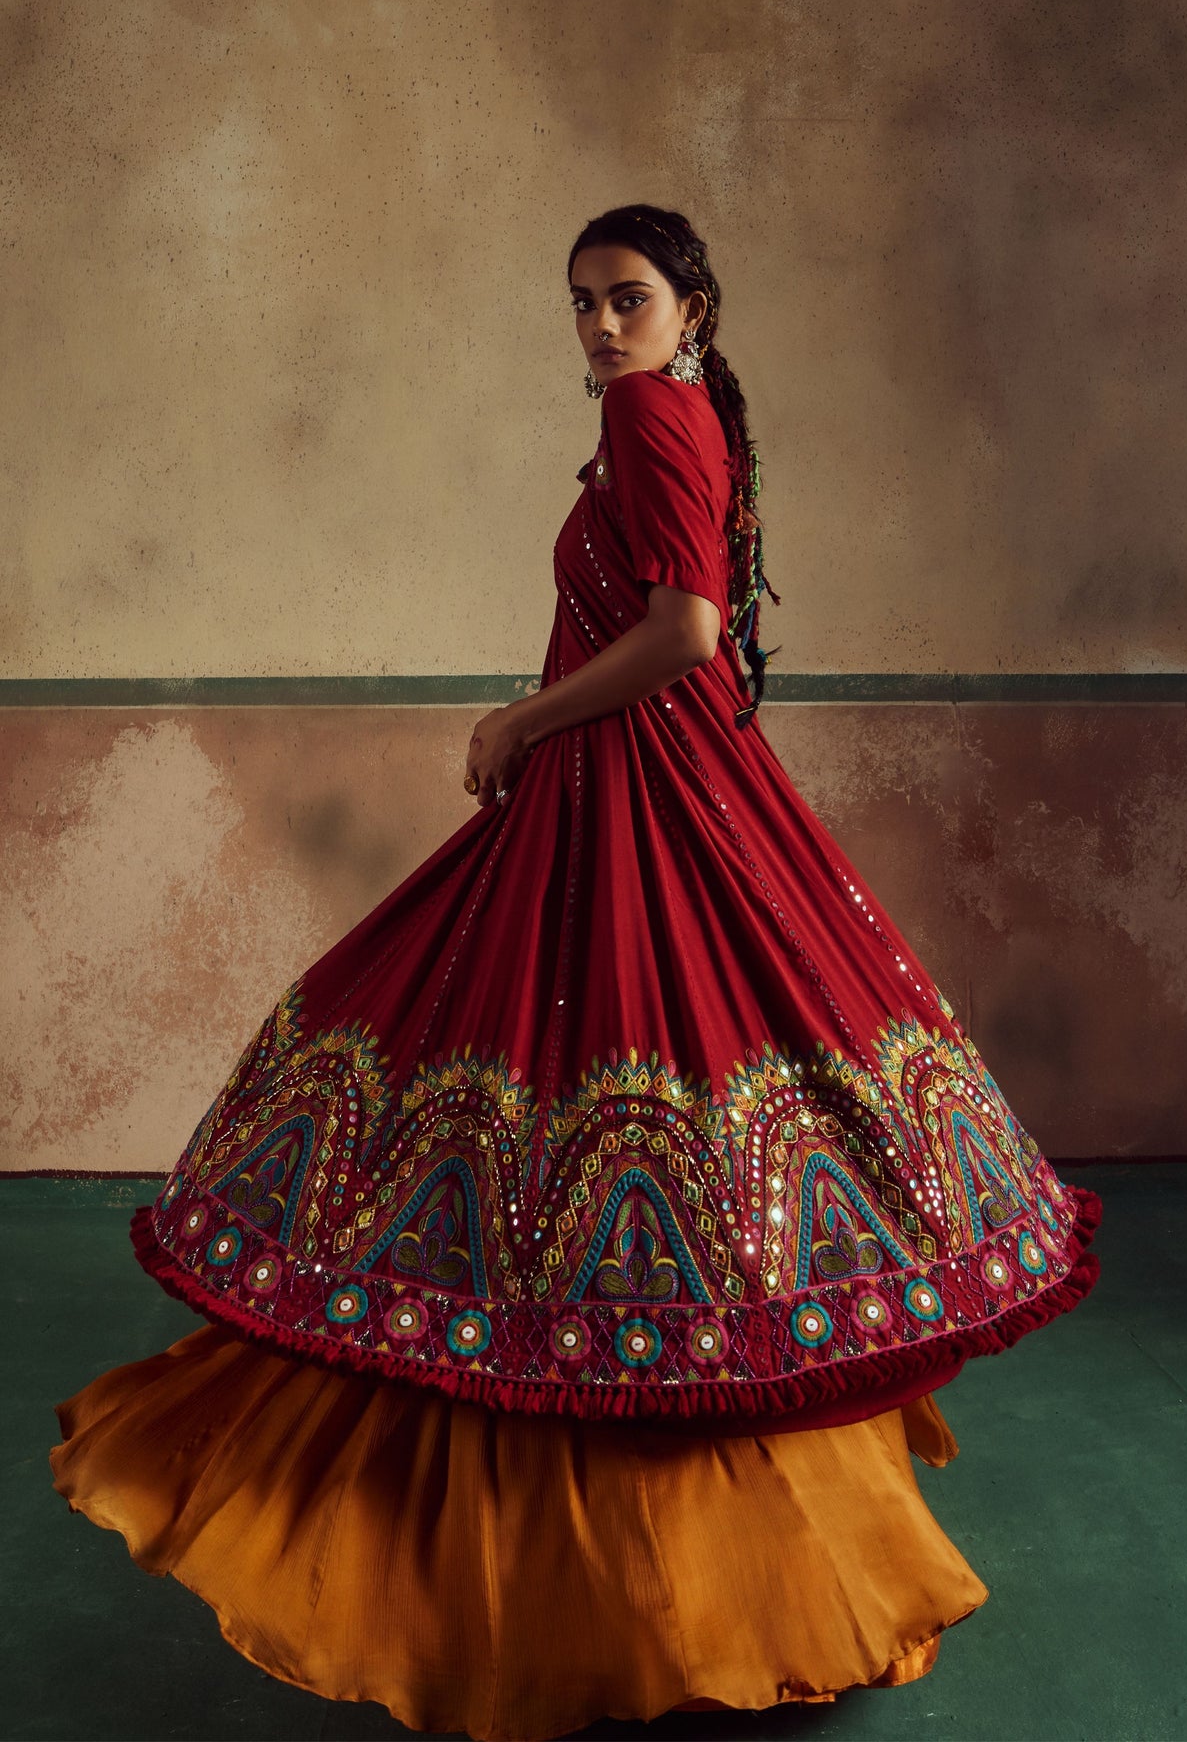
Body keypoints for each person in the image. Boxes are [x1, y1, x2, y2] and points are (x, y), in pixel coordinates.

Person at [50, 203, 1102, 1741]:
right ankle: (605, 1417)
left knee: (625, 1060)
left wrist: (521, 721)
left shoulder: (657, 415)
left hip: (641, 785)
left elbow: (685, 635)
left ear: (692, 308)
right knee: (567, 1058)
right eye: (583, 308)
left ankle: (637, 1465)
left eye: (628, 299)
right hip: (625, 787)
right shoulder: (655, 414)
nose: (602, 329)